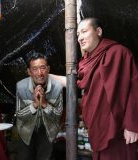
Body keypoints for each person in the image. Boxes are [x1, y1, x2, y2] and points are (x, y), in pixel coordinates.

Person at [51, 17, 138, 160]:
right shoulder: (85, 62)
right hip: (98, 125)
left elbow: (134, 90)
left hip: (119, 128)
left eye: (84, 31)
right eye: (78, 34)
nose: (80, 38)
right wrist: (48, 76)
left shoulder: (119, 53)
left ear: (98, 31)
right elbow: (78, 83)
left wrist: (132, 125)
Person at [16, 52, 63, 160]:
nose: (39, 73)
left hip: (48, 130)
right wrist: (35, 105)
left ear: (48, 69)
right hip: (26, 130)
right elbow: (20, 115)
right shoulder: (21, 86)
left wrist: (45, 104)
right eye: (35, 69)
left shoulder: (57, 87)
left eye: (43, 68)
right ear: (29, 72)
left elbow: (58, 115)